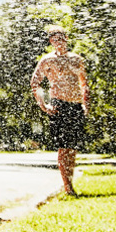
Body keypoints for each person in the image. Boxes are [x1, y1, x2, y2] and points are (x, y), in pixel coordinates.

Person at [30, 27, 91, 197]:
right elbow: (35, 83)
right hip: (59, 105)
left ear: (66, 38)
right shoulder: (47, 60)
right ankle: (67, 187)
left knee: (73, 147)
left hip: (75, 105)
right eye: (55, 39)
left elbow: (84, 84)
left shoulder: (76, 59)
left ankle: (70, 183)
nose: (59, 42)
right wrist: (43, 105)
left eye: (61, 38)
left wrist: (85, 105)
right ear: (51, 41)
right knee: (63, 147)